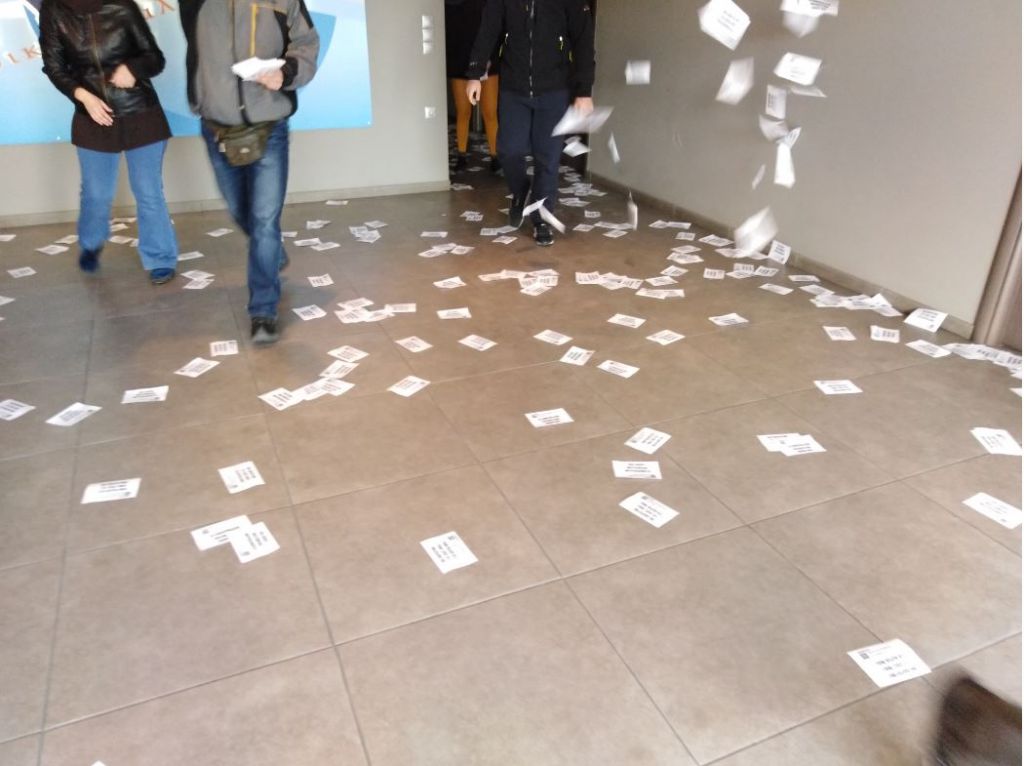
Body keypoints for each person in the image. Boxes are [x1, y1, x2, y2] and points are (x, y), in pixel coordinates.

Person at [179, 0, 319, 345]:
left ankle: (263, 310)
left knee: (264, 220)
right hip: (217, 128)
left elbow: (306, 43)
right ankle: (272, 254)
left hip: (269, 127)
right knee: (241, 211)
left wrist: (286, 72)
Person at [40, 0, 178, 284]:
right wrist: (84, 97)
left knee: (149, 192)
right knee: (96, 193)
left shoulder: (123, 5)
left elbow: (155, 58)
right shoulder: (54, 9)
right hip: (93, 115)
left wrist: (134, 68)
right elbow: (54, 67)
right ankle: (91, 243)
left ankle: (161, 257)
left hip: (140, 111)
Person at [465, 0, 595, 247]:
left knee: (547, 157)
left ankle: (541, 219)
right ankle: (520, 190)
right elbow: (488, 29)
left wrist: (584, 91)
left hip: (555, 89)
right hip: (514, 88)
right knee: (509, 149)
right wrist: (475, 74)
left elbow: (583, 40)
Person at [445, 0, 500, 174]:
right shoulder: (452, 5)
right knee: (464, 112)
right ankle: (462, 155)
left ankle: (495, 157)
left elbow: (496, 29)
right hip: (461, 61)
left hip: (487, 62)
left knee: (490, 113)